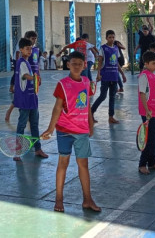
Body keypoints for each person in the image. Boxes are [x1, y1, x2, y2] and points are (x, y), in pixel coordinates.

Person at [41, 51, 100, 213]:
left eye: (79, 64)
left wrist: (90, 123)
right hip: (64, 130)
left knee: (83, 165)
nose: (76, 66)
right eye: (73, 63)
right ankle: (59, 199)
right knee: (63, 163)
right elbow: (57, 108)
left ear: (84, 66)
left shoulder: (87, 82)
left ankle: (87, 199)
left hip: (81, 131)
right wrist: (50, 128)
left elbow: (87, 104)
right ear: (68, 64)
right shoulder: (62, 84)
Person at [14, 37, 48, 161]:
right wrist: (35, 78)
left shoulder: (27, 62)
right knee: (22, 124)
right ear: (21, 50)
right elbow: (26, 76)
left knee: (34, 125)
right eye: (27, 48)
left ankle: (37, 149)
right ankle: (18, 151)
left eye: (30, 48)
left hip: (32, 98)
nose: (29, 50)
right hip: (25, 100)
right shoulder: (22, 62)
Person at [137, 51, 155, 174]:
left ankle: (152, 162)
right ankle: (142, 164)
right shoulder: (144, 76)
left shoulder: (154, 76)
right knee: (149, 139)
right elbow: (142, 94)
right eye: (153, 63)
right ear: (146, 64)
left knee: (153, 138)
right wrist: (147, 110)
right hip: (148, 113)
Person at [93, 30, 127, 124]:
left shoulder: (116, 48)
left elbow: (116, 63)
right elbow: (100, 62)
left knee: (112, 97)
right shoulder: (103, 48)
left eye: (113, 37)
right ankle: (91, 112)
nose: (112, 39)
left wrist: (122, 74)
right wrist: (98, 74)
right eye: (110, 37)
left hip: (114, 76)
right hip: (105, 76)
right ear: (106, 38)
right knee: (103, 96)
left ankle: (111, 117)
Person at [6, 31, 41, 122]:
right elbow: (18, 54)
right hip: (24, 71)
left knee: (32, 94)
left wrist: (38, 75)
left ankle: (31, 114)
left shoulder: (35, 49)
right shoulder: (23, 47)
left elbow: (36, 63)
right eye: (32, 38)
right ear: (28, 38)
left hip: (32, 73)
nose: (34, 40)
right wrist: (18, 64)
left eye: (35, 39)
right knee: (20, 94)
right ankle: (10, 112)